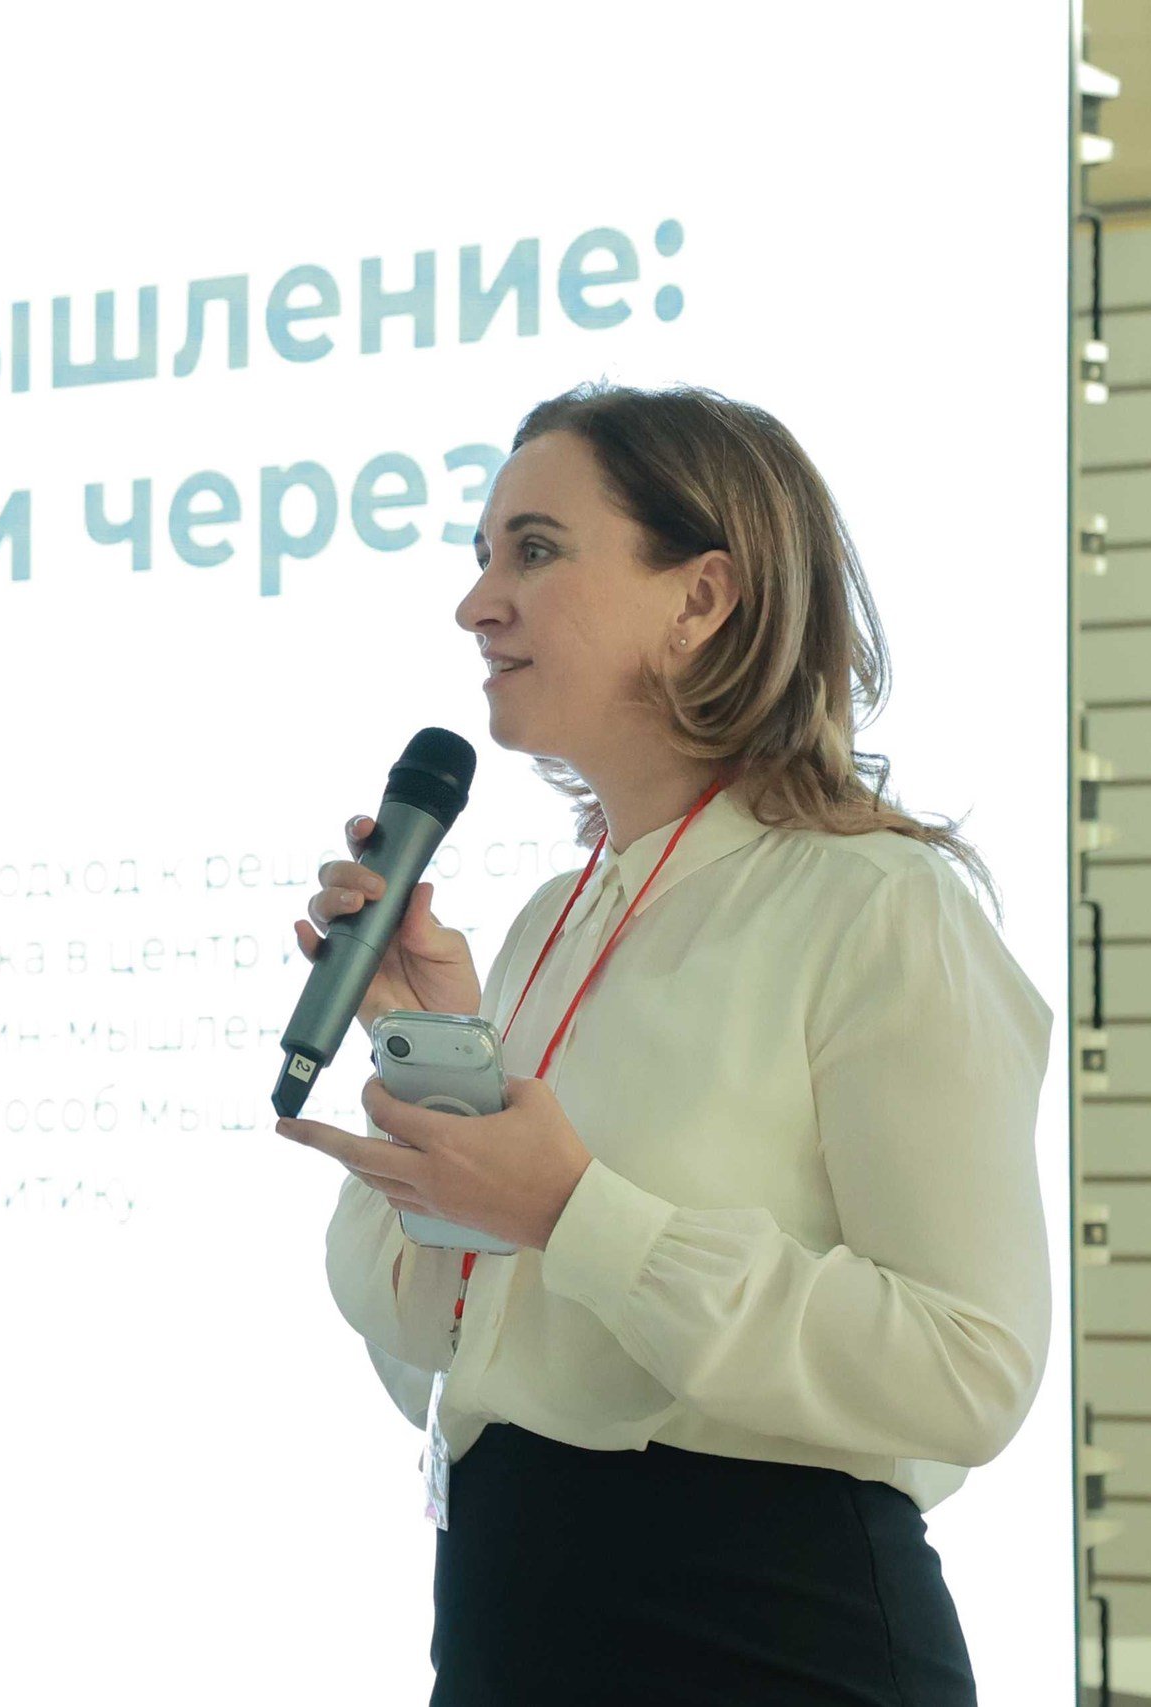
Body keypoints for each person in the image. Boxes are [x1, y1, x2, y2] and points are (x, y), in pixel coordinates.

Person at [274, 382, 1052, 1705]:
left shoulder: (877, 906)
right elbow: (447, 1355)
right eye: (481, 556)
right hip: (513, 1634)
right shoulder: (547, 923)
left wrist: (580, 1215)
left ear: (701, 597)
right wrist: (429, 1052)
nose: (476, 605)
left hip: (762, 1644)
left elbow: (968, 1370)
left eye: (534, 550)